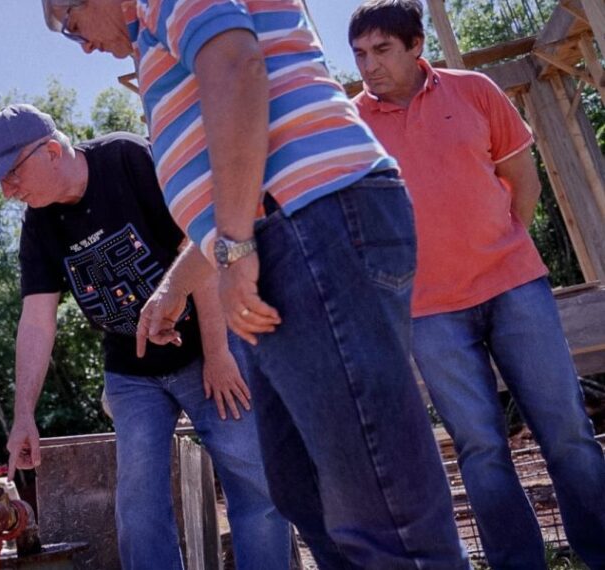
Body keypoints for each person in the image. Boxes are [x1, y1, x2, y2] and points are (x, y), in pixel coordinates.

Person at [38, 1, 468, 567]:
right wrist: (178, 284)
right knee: (297, 484)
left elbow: (239, 70)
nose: (85, 45)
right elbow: (221, 171)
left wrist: (236, 246)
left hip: (309, 221)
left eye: (72, 27)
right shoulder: (151, 31)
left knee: (373, 488)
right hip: (284, 232)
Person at [0, 104, 291, 570]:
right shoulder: (39, 221)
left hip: (208, 346)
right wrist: (23, 414)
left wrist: (221, 353)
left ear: (53, 152)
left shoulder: (126, 159)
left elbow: (197, 245)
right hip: (132, 373)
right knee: (138, 506)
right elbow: (37, 319)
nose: (7, 190)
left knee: (254, 480)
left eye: (12, 174)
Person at [348, 1, 605, 566]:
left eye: (382, 50)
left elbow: (521, 178)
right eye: (360, 54)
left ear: (416, 46)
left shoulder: (474, 91)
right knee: (481, 450)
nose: (369, 65)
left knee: (566, 431)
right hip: (428, 311)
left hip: (514, 287)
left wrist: (500, 245)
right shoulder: (351, 126)